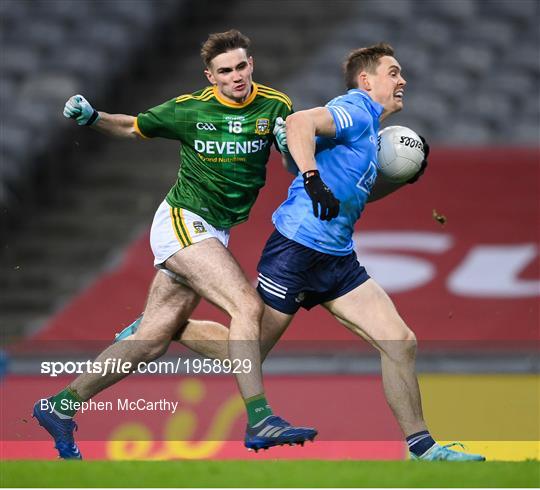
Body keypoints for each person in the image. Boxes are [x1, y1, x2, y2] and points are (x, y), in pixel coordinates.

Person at [117, 42, 485, 462]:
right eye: (393, 72)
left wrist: (398, 180)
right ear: (367, 80)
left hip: (336, 259)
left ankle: (422, 448)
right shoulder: (357, 108)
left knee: (399, 341)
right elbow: (297, 122)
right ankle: (159, 327)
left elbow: (351, 194)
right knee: (247, 351)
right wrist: (310, 177)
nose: (402, 80)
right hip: (296, 248)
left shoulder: (368, 136)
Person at [33, 29, 317, 460]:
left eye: (242, 66)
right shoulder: (190, 110)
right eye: (225, 71)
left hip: (215, 229)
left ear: (251, 65)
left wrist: (284, 147)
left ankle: (59, 406)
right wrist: (93, 117)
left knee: (152, 341)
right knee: (246, 306)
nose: (236, 76)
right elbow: (132, 127)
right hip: (184, 221)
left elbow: (288, 160)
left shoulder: (276, 105)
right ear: (210, 76)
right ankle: (260, 417)